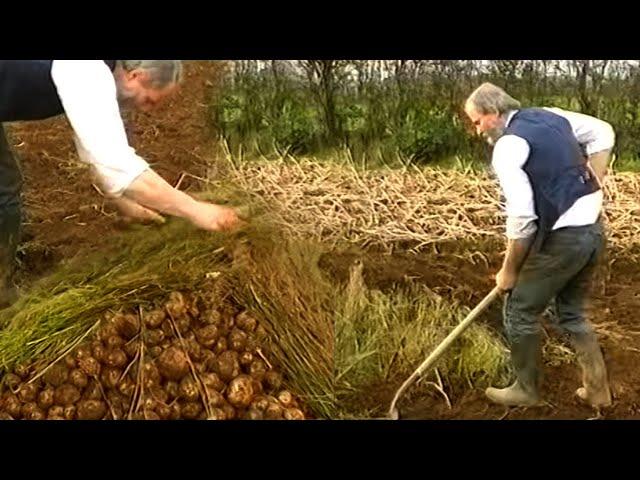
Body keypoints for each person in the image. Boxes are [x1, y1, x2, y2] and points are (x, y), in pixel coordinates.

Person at [0, 60, 240, 307]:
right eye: (149, 100)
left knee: (7, 182)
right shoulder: (88, 70)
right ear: (135, 75)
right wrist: (196, 210)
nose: (145, 109)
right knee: (3, 192)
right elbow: (118, 164)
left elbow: (92, 146)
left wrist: (120, 200)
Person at [464, 82, 614, 409]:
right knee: (571, 313)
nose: (477, 131)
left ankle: (525, 389)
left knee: (519, 311)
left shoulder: (508, 147)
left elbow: (522, 219)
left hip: (565, 238)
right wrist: (594, 181)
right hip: (591, 231)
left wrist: (508, 272)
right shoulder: (551, 116)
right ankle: (597, 391)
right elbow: (604, 131)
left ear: (493, 113)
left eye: (477, 122)